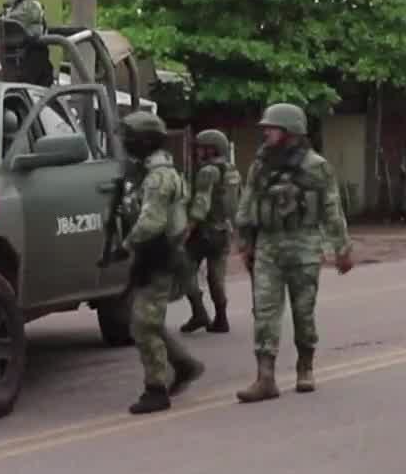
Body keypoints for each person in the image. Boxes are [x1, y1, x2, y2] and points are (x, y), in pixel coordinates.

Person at [232, 102, 354, 402]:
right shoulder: (260, 165)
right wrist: (245, 242)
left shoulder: (317, 166)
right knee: (264, 312)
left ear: (291, 131)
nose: (266, 134)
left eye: (272, 129)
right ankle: (265, 377)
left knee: (303, 313)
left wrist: (342, 248)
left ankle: (305, 367)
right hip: (269, 247)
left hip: (304, 247)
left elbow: (331, 209)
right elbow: (247, 204)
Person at [115, 111, 205, 415]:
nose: (125, 144)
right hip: (154, 254)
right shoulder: (150, 172)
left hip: (159, 254)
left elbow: (151, 223)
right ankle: (184, 364)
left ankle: (156, 388)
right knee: (147, 318)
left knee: (143, 324)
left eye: (129, 139)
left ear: (144, 141)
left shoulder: (158, 177)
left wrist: (124, 246)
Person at [179, 128, 240, 335]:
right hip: (224, 230)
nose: (197, 153)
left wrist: (187, 229)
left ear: (211, 150)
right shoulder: (232, 171)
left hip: (203, 232)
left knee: (184, 269)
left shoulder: (207, 172)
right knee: (217, 277)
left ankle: (199, 312)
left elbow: (201, 203)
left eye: (201, 149)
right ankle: (221, 318)